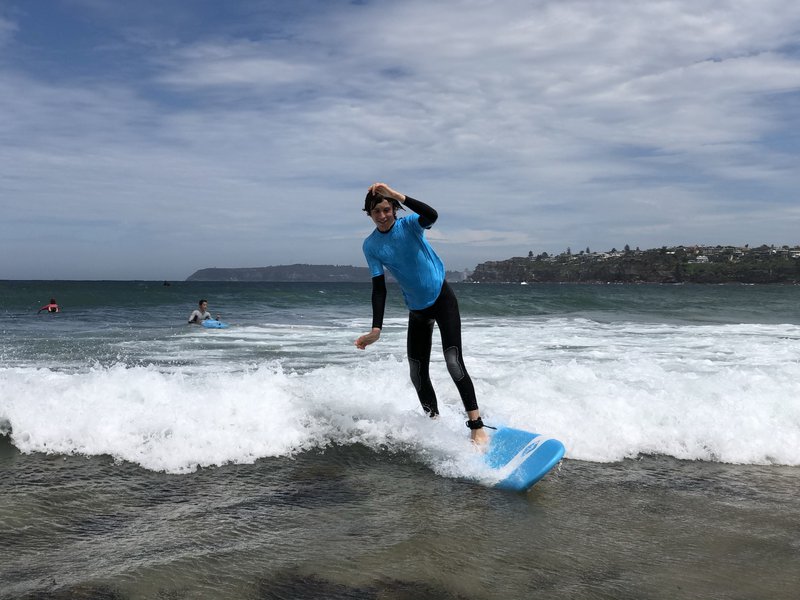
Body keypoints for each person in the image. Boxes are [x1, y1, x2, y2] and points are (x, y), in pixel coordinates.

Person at [355, 182, 490, 445]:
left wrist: (396, 194)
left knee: (453, 361)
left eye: (386, 209)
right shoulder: (370, 245)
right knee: (417, 371)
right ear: (369, 215)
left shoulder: (411, 225)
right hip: (416, 308)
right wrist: (376, 329)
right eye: (375, 212)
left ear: (394, 208)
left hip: (442, 298)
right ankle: (434, 425)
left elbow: (432, 215)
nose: (382, 216)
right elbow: (379, 288)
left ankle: (476, 426)